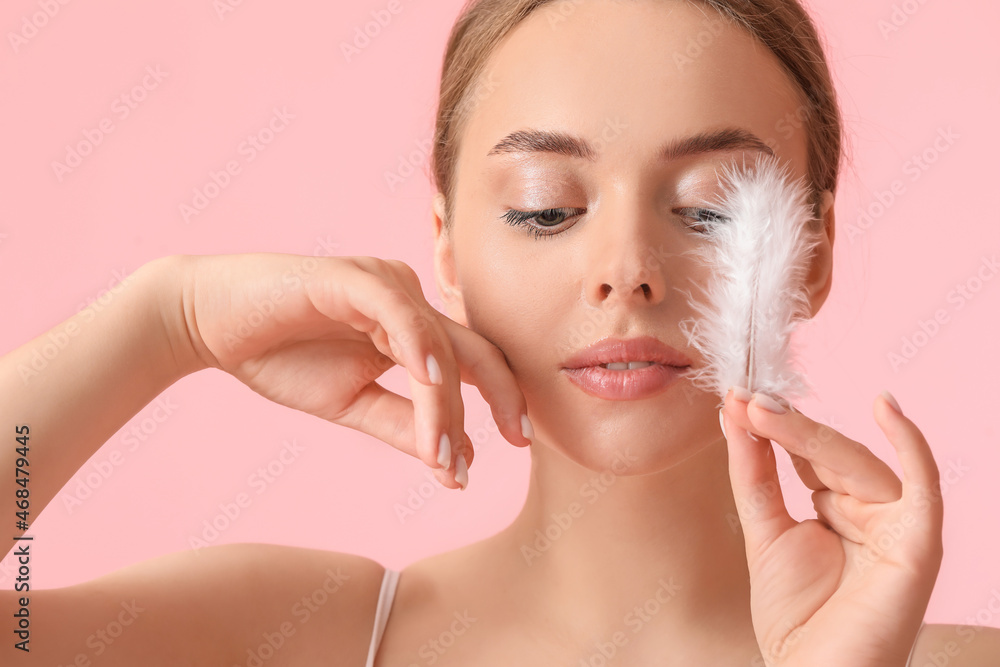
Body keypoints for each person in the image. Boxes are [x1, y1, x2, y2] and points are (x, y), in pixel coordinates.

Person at [2, 0, 998, 665]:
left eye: (708, 208)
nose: (626, 268)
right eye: (542, 207)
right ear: (445, 245)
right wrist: (161, 320)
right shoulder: (302, 636)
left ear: (813, 249)